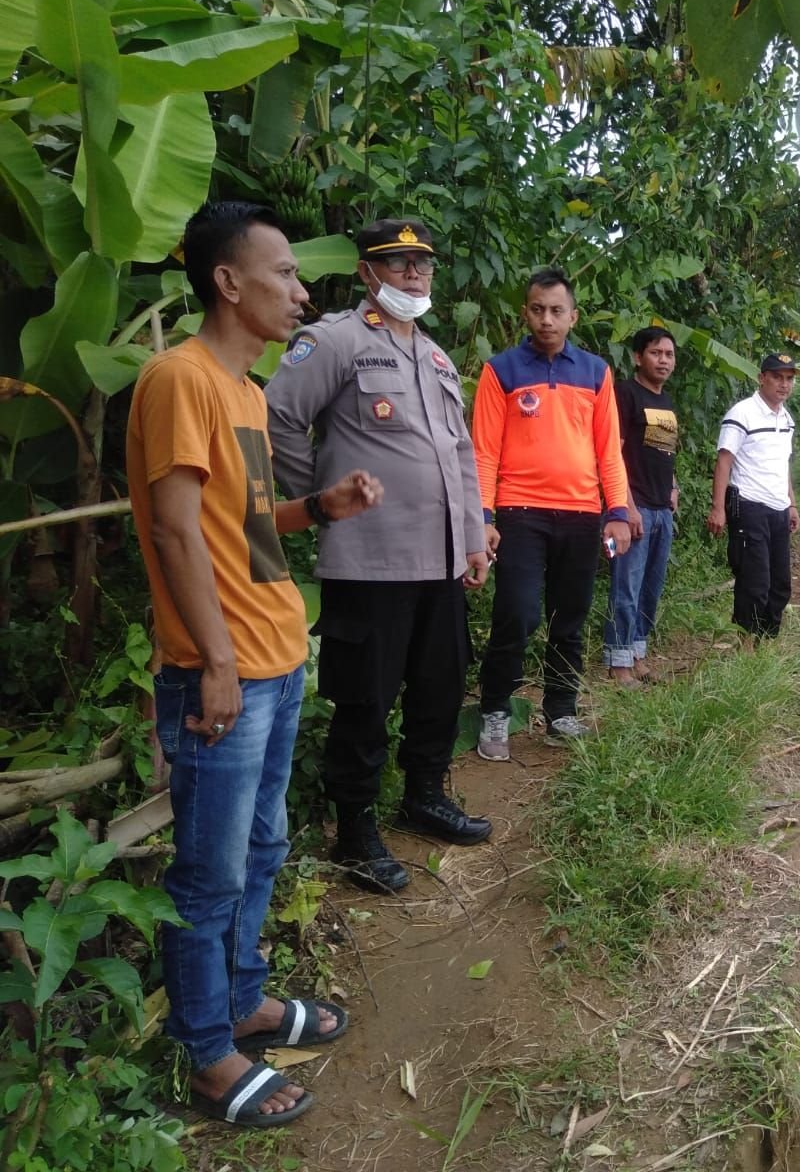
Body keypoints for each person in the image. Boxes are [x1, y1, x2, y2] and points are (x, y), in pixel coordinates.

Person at [127, 202, 383, 1126]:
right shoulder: (179, 379)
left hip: (274, 658)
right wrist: (217, 661)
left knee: (261, 848)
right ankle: (207, 1051)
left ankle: (243, 999)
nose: (300, 289)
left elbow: (241, 526)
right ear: (227, 282)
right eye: (284, 273)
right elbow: (174, 528)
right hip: (223, 670)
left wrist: (321, 509)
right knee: (208, 871)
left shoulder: (244, 392)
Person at [265, 219, 492, 896]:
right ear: (368, 273)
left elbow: (459, 453)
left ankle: (423, 794)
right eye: (397, 265)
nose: (414, 276)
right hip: (371, 562)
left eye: (422, 265)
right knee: (364, 701)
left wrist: (475, 537)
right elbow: (278, 417)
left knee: (439, 688)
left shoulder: (437, 357)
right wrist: (318, 497)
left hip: (443, 561)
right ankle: (355, 829)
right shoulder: (334, 341)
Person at [472, 268, 632, 759]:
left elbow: (609, 451)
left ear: (573, 316)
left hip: (582, 514)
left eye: (557, 311)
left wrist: (618, 510)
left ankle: (560, 711)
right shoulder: (501, 371)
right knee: (516, 614)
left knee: (570, 617)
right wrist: (482, 516)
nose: (547, 319)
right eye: (538, 309)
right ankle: (495, 711)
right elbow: (483, 452)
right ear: (526, 313)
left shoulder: (595, 372)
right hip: (520, 512)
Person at [603, 327, 680, 686]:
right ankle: (618, 662)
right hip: (634, 508)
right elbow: (613, 454)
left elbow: (664, 451)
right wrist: (626, 507)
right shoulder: (625, 394)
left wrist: (674, 486)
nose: (663, 360)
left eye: (668, 354)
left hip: (662, 509)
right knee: (626, 587)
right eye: (655, 353)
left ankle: (637, 653)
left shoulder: (665, 402)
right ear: (638, 357)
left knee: (651, 586)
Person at [707, 353, 800, 641]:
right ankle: (744, 644)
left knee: (780, 584)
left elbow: (782, 463)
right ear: (762, 378)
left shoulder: (786, 418)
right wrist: (718, 508)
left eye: (789, 379)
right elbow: (724, 461)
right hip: (749, 507)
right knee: (754, 583)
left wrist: (792, 504)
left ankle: (765, 642)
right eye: (777, 377)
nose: (783, 384)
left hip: (778, 509)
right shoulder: (742, 413)